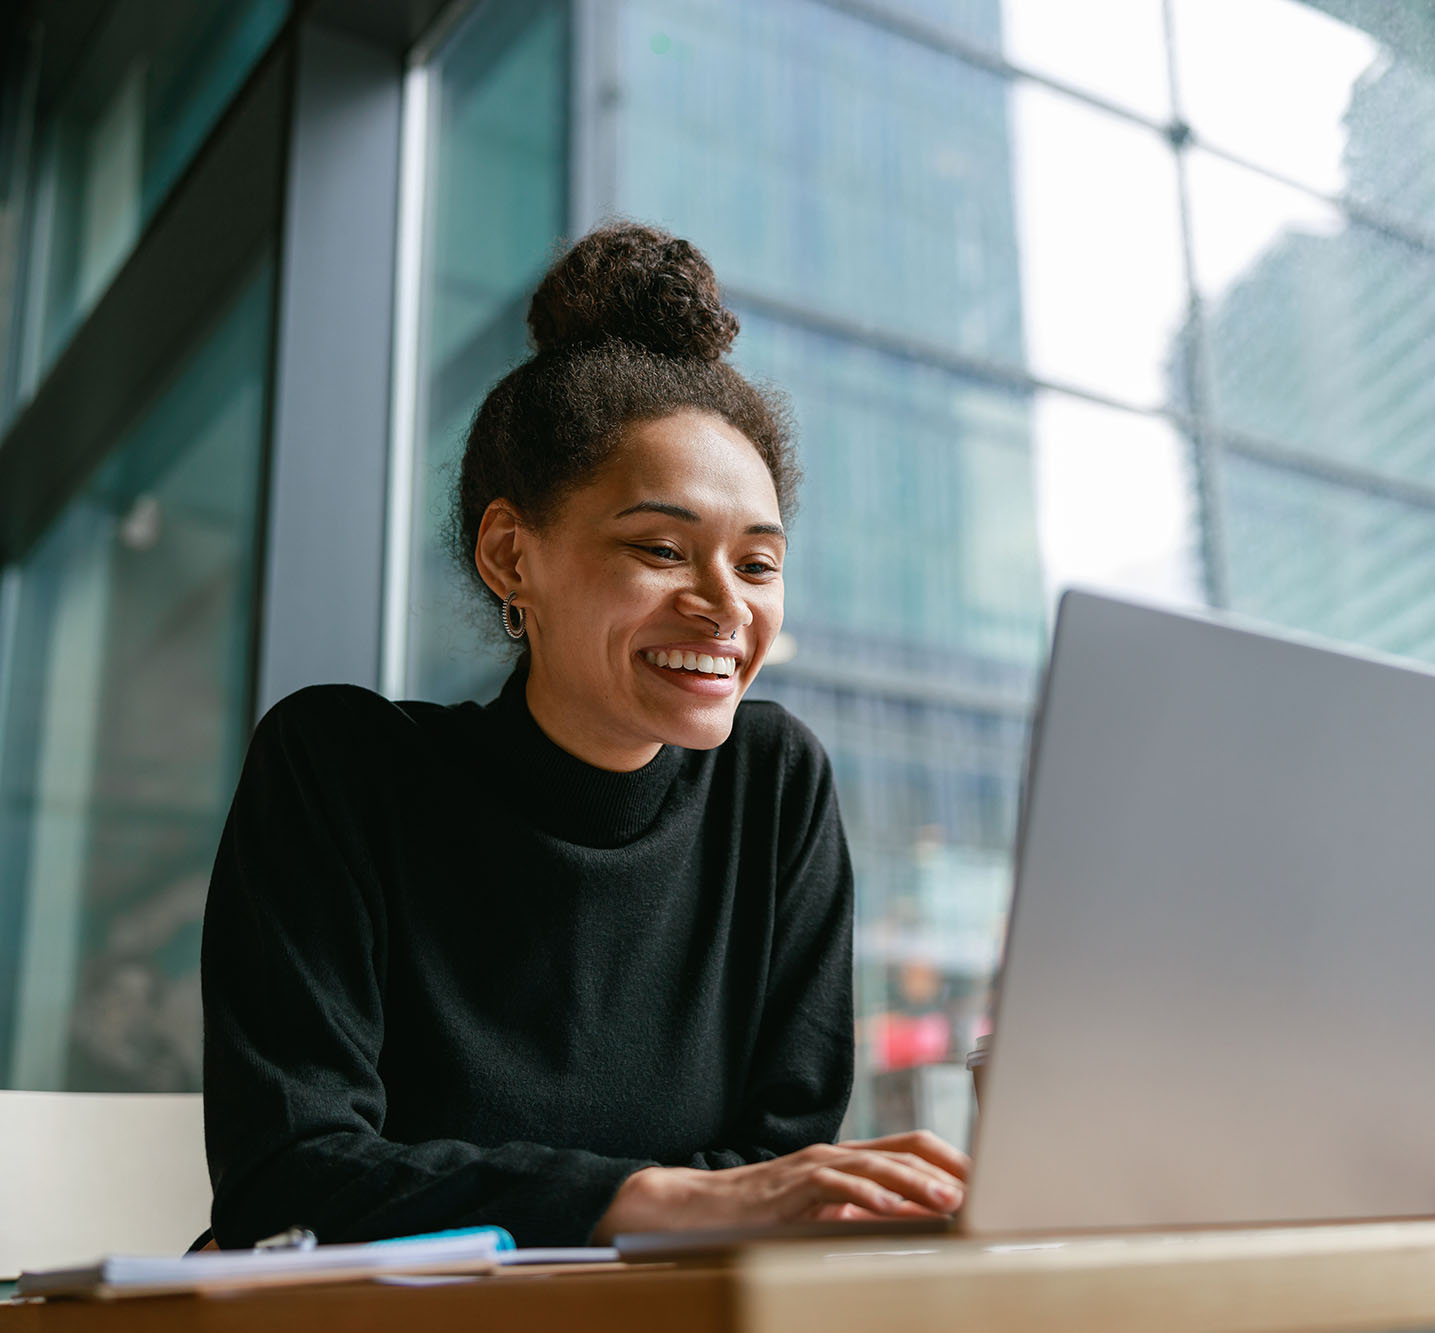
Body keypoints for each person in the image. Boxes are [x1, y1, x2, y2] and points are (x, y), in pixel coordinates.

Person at [198, 222, 967, 1249]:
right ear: (513, 555)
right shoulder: (339, 769)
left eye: (756, 563)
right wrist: (666, 1198)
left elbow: (780, 1171)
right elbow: (289, 1175)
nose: (723, 607)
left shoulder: (772, 784)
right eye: (661, 547)